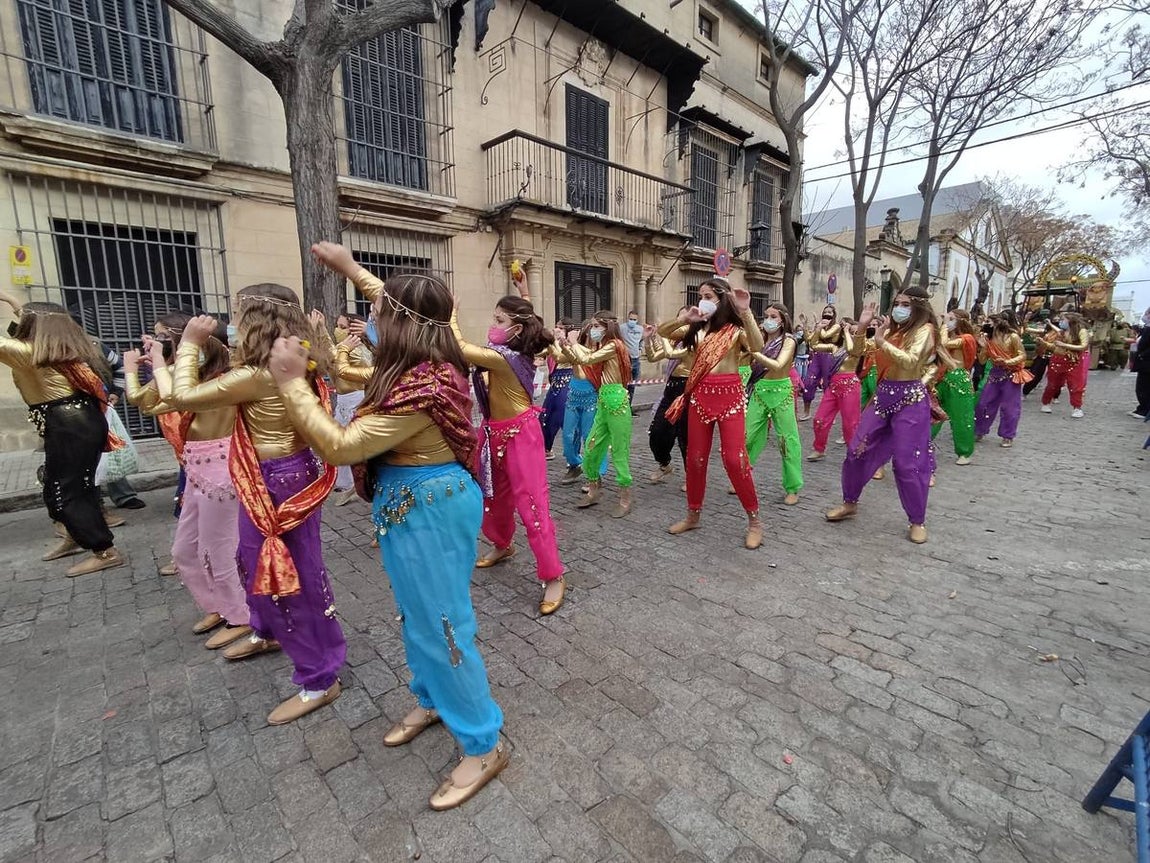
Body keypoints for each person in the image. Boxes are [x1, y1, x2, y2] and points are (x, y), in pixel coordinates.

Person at [268, 256, 507, 811]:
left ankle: (482, 741)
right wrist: (352, 268)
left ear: (399, 323)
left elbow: (343, 447)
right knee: (415, 612)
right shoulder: (418, 353)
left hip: (431, 505)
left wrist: (290, 385)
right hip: (410, 504)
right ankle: (432, 699)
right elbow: (392, 299)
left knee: (445, 622)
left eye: (376, 311)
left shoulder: (420, 385)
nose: (369, 315)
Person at [167, 288, 345, 726]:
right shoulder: (293, 358)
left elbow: (181, 397)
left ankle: (319, 676)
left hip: (277, 483)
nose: (234, 325)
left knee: (288, 574)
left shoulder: (263, 373)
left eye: (239, 317)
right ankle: (267, 630)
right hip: (270, 477)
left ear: (257, 322)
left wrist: (189, 344)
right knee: (253, 561)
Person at [124, 314, 251, 648]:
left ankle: (240, 615)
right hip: (194, 468)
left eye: (165, 338)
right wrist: (142, 366)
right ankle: (218, 605)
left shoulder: (228, 379)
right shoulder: (188, 374)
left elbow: (179, 398)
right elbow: (144, 401)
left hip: (221, 469)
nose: (157, 343)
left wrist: (170, 356)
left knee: (219, 548)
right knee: (184, 550)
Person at [0, 293, 124, 575]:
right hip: (75, 422)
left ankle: (104, 551)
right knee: (66, 486)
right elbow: (37, 322)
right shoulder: (58, 348)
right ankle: (75, 535)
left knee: (66, 491)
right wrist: (11, 300)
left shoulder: (29, 354)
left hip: (70, 425)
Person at [658, 278, 764, 549]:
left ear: (721, 299)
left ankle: (754, 520)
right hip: (700, 397)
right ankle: (693, 514)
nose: (703, 299)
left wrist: (746, 310)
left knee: (734, 459)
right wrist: (685, 316)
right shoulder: (696, 329)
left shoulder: (734, 329)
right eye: (700, 295)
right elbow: (663, 331)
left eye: (708, 295)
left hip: (730, 397)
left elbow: (757, 345)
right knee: (695, 459)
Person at [825, 287, 936, 544]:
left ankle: (916, 519)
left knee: (907, 463)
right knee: (856, 450)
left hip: (910, 400)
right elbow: (859, 354)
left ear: (918, 307)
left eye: (905, 304)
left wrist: (882, 340)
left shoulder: (925, 331)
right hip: (883, 396)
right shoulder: (892, 330)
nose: (899, 308)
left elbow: (910, 362)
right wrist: (863, 327)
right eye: (897, 303)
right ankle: (850, 502)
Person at [562, 310, 634, 518]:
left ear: (607, 327)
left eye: (595, 326)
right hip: (603, 399)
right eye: (592, 326)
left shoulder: (614, 346)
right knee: (592, 445)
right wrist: (568, 347)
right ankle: (594, 488)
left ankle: (625, 497)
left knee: (619, 451)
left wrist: (574, 342)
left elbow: (589, 359)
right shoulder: (605, 346)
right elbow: (582, 362)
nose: (593, 330)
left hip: (617, 402)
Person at [744, 303, 802, 505]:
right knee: (748, 436)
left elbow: (778, 364)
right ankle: (742, 477)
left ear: (783, 320)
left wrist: (755, 354)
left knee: (787, 441)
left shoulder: (789, 341)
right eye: (767, 316)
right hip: (759, 391)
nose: (769, 320)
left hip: (782, 392)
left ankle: (793, 487)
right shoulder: (760, 339)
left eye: (774, 316)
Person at [808, 315, 862, 463]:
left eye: (854, 332)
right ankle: (819, 449)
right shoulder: (835, 348)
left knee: (850, 424)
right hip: (833, 386)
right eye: (849, 330)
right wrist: (818, 329)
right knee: (820, 419)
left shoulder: (858, 348)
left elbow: (851, 348)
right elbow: (813, 345)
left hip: (850, 386)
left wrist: (846, 331)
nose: (850, 333)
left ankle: (853, 452)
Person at [331, 313, 373, 506]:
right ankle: (348, 483)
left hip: (356, 402)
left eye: (342, 326)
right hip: (343, 401)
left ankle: (359, 483)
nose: (338, 330)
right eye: (337, 326)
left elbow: (344, 369)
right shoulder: (345, 349)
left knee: (355, 446)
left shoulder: (360, 351)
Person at [643, 316, 690, 483]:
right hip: (671, 390)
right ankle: (665, 464)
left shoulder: (697, 342)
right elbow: (653, 357)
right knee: (657, 432)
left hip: (689, 390)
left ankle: (691, 476)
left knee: (686, 437)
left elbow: (670, 353)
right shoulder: (675, 342)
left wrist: (661, 335)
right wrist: (648, 338)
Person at [973, 314, 1030, 447]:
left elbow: (1022, 356)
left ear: (997, 324)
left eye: (989, 322)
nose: (987, 324)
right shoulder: (989, 340)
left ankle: (1008, 435)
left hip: (1010, 375)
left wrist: (1007, 361)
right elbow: (982, 360)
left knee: (1010, 408)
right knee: (983, 404)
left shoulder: (1013, 337)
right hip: (995, 374)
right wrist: (982, 347)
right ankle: (980, 429)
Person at [932, 309, 978, 465]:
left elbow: (942, 344)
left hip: (958, 381)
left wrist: (944, 325)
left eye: (951, 318)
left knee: (961, 417)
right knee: (932, 414)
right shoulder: (951, 336)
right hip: (941, 379)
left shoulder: (967, 338)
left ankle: (964, 452)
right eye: (947, 318)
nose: (948, 321)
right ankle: (922, 444)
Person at [1040, 311, 1090, 418]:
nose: (1061, 322)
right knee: (1052, 384)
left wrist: (1065, 345)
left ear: (1070, 320)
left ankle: (1077, 407)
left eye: (1063, 320)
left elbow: (1084, 346)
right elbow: (1055, 347)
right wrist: (1044, 344)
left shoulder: (1081, 331)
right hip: (1057, 360)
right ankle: (1046, 402)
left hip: (1074, 362)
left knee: (1076, 385)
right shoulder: (1062, 332)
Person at [539, 319, 575, 460]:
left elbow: (560, 358)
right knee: (545, 417)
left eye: (561, 328)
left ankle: (573, 456)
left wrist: (553, 342)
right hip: (554, 383)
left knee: (562, 417)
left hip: (567, 381)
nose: (557, 330)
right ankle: (546, 448)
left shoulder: (570, 345)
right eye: (556, 327)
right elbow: (540, 353)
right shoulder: (552, 343)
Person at [800, 305, 841, 421]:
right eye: (825, 311)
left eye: (830, 312)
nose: (827, 314)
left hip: (830, 356)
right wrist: (805, 325)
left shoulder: (836, 326)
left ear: (834, 315)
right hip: (817, 357)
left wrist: (819, 325)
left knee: (828, 385)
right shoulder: (819, 326)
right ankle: (806, 411)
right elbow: (809, 339)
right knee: (809, 382)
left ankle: (829, 415)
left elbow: (825, 335)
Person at [622, 310, 644, 415]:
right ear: (628, 318)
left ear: (637, 320)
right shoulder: (622, 328)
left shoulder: (640, 329)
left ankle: (629, 408)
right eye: (631, 319)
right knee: (624, 385)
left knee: (632, 385)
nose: (632, 321)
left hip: (636, 359)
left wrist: (641, 349)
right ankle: (623, 407)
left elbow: (642, 340)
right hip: (626, 359)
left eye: (634, 319)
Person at [1131, 310, 1150, 418]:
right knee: (1142, 386)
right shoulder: (1146, 328)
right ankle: (1142, 408)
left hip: (1146, 362)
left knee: (1144, 387)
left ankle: (1145, 409)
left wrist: (1143, 355)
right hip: (1144, 362)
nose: (1145, 316)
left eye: (1147, 314)